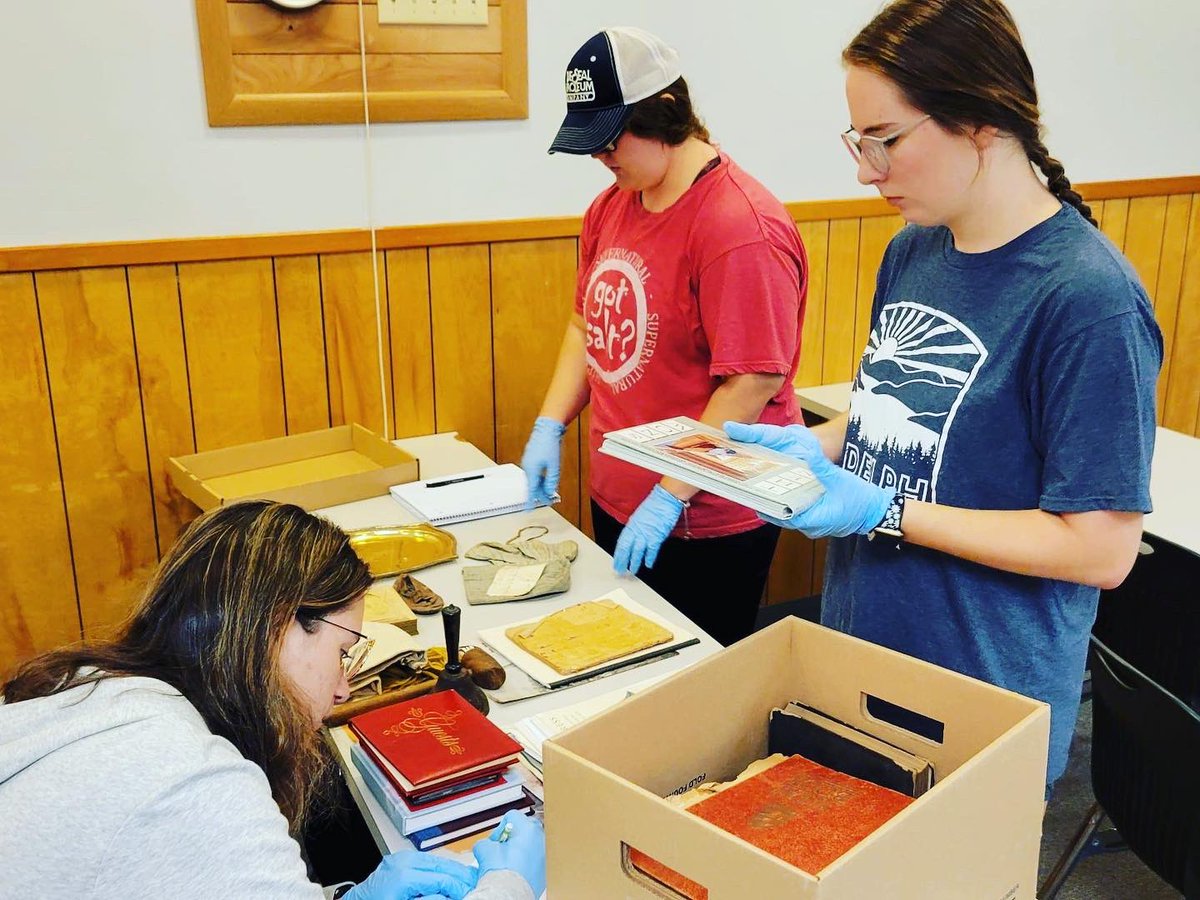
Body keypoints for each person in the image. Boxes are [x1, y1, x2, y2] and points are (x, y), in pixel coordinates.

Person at [726, 0, 1162, 789]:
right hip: (863, 654)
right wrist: (814, 446)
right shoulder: (915, 250)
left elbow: (1102, 550)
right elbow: (912, 412)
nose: (865, 170)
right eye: (858, 141)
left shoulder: (1088, 298)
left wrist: (883, 511)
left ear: (982, 121)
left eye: (885, 140)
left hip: (980, 692)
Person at [0, 501, 545, 900]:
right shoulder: (188, 782)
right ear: (281, 628)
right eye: (343, 651)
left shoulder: (88, 687)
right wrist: (509, 887)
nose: (340, 690)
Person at [522, 26, 809, 646]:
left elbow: (752, 381)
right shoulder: (613, 205)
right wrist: (551, 425)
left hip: (706, 512)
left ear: (667, 114)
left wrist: (670, 496)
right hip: (622, 490)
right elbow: (584, 323)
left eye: (611, 139)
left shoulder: (738, 227)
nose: (601, 157)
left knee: (694, 687)